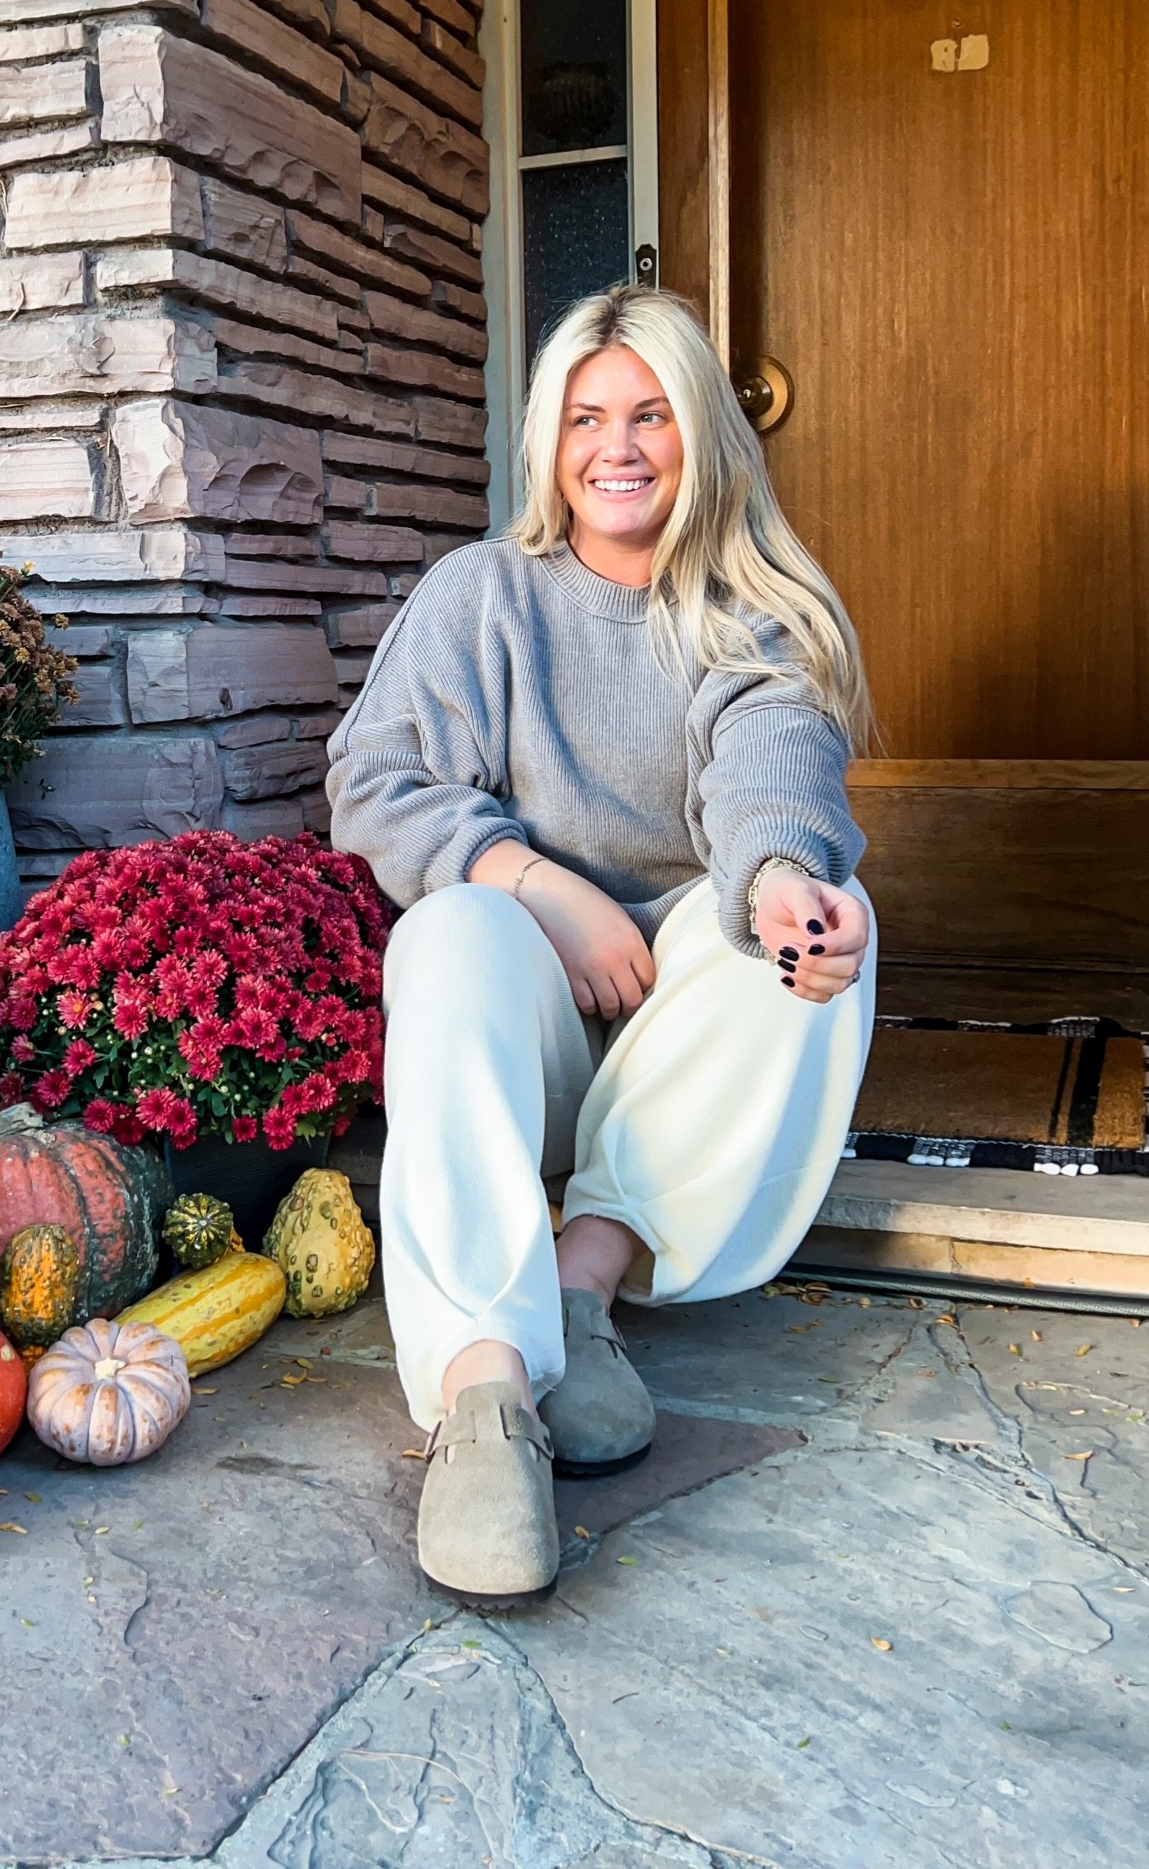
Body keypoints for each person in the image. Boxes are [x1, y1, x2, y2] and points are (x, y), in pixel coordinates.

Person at [325, 285, 876, 1606]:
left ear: (701, 436)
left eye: (648, 415)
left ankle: (585, 1280)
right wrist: (538, 886)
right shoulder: (481, 595)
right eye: (584, 416)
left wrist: (788, 881)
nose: (615, 447)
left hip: (678, 1062)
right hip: (535, 1038)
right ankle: (483, 1393)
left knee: (811, 928)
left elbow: (769, 765)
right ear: (547, 439)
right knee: (453, 922)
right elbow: (376, 780)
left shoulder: (751, 618)